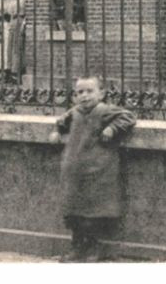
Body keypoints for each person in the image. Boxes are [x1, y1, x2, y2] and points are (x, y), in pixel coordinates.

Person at [47, 75, 135, 262]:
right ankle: (77, 247)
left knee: (95, 212)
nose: (84, 96)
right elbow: (62, 122)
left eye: (89, 91)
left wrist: (112, 129)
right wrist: (56, 132)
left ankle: (95, 248)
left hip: (98, 170)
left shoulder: (104, 110)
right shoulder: (74, 112)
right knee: (74, 211)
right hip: (75, 170)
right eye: (80, 92)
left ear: (101, 93)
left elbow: (128, 117)